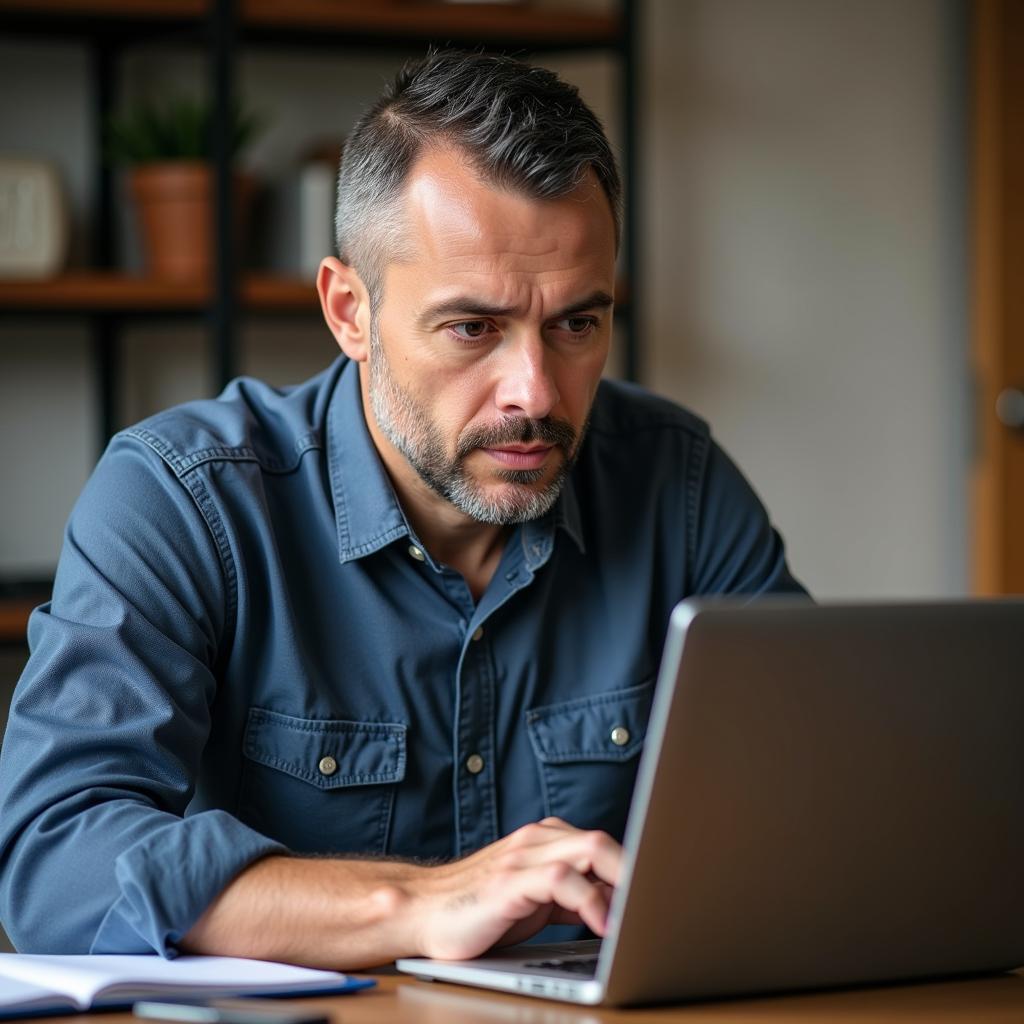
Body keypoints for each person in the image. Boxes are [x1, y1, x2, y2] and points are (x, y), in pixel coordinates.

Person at [0, 50, 805, 967]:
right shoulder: (184, 498)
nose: (534, 392)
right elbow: (52, 859)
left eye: (577, 323)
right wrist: (418, 904)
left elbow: (820, 801)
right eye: (474, 327)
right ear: (350, 311)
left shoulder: (679, 483)